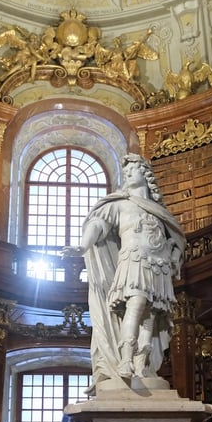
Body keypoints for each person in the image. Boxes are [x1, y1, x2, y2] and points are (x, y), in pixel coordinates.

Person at [75, 153, 185, 393]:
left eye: (132, 170)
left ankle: (141, 365)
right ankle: (125, 360)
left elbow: (177, 239)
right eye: (125, 172)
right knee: (135, 305)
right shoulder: (119, 204)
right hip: (133, 260)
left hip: (158, 265)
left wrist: (175, 257)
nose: (127, 175)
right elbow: (98, 224)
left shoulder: (158, 210)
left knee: (151, 315)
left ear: (145, 174)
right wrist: (83, 246)